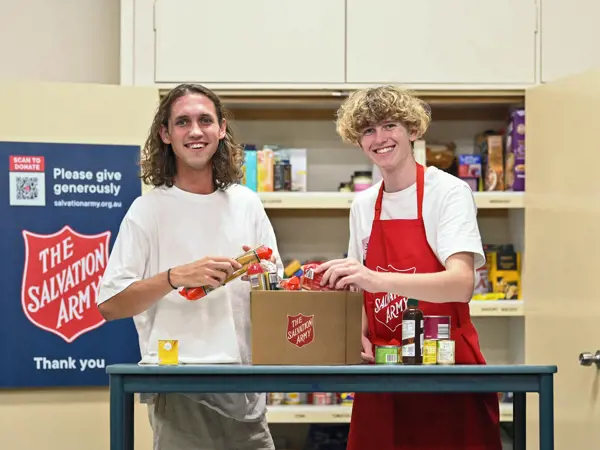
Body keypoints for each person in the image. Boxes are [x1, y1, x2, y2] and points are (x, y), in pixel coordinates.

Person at [315, 85, 503, 450]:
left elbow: (461, 283)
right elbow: (358, 288)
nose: (379, 138)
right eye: (368, 130)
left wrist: (373, 277)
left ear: (413, 130)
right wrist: (358, 331)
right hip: (384, 373)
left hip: (445, 364)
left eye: (389, 126)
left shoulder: (447, 192)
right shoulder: (363, 205)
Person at [96, 83, 282, 450]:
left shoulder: (246, 203)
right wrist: (174, 277)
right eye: (182, 122)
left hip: (245, 386)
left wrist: (264, 276)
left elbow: (275, 295)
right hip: (177, 384)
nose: (195, 131)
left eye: (204, 120)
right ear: (165, 134)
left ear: (221, 128)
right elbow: (111, 305)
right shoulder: (148, 210)